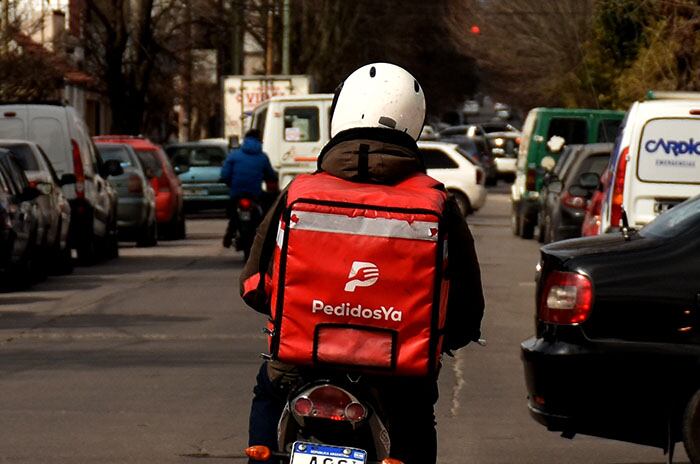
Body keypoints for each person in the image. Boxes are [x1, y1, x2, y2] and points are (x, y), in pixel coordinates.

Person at [239, 63, 484, 464]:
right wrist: (454, 332)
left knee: (267, 392)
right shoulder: (438, 203)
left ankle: (262, 453)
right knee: (417, 421)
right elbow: (467, 300)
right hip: (401, 371)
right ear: (414, 121)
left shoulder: (300, 191)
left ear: (341, 114)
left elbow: (252, 283)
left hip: (301, 361)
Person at [220, 129, 277, 248]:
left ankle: (229, 235)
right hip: (255, 193)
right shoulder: (262, 157)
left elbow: (225, 175)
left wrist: (229, 183)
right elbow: (270, 175)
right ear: (259, 140)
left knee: (233, 214)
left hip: (237, 192)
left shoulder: (234, 155)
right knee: (264, 213)